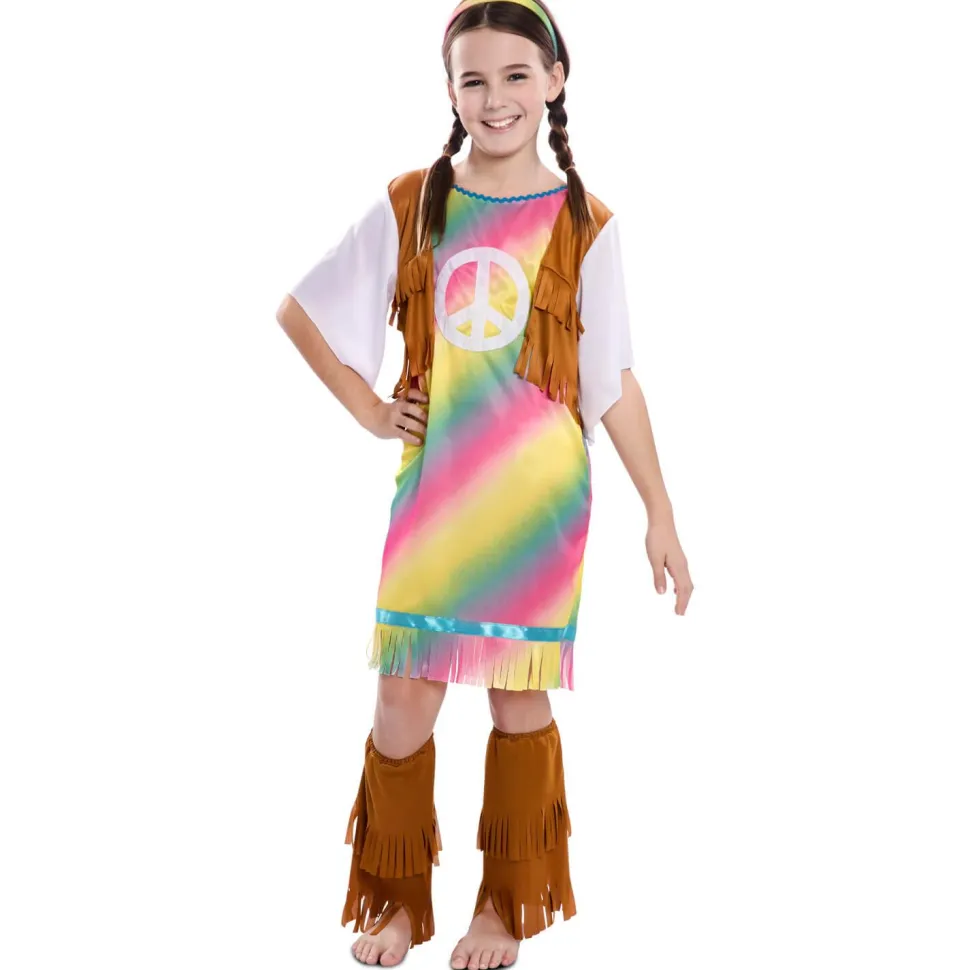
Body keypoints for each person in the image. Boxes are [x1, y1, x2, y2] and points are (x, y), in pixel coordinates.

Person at [276, 1, 694, 966]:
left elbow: (612, 382)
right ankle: (394, 903)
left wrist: (661, 511)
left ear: (554, 81)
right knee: (402, 699)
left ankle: (504, 908)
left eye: (516, 75)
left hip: (536, 509)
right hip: (436, 500)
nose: (495, 97)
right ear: (451, 91)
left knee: (516, 702)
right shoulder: (414, 202)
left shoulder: (586, 224)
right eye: (474, 79)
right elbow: (303, 312)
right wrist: (371, 408)